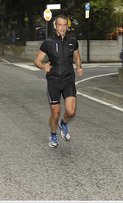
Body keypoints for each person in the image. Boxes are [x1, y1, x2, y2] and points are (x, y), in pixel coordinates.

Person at [34, 15, 83, 148]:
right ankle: (53, 134)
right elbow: (37, 60)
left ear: (67, 26)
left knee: (71, 111)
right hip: (54, 81)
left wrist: (79, 66)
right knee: (55, 112)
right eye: (59, 25)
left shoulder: (73, 41)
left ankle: (64, 123)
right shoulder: (48, 42)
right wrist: (43, 66)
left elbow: (77, 56)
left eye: (65, 25)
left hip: (68, 80)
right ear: (55, 26)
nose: (62, 27)